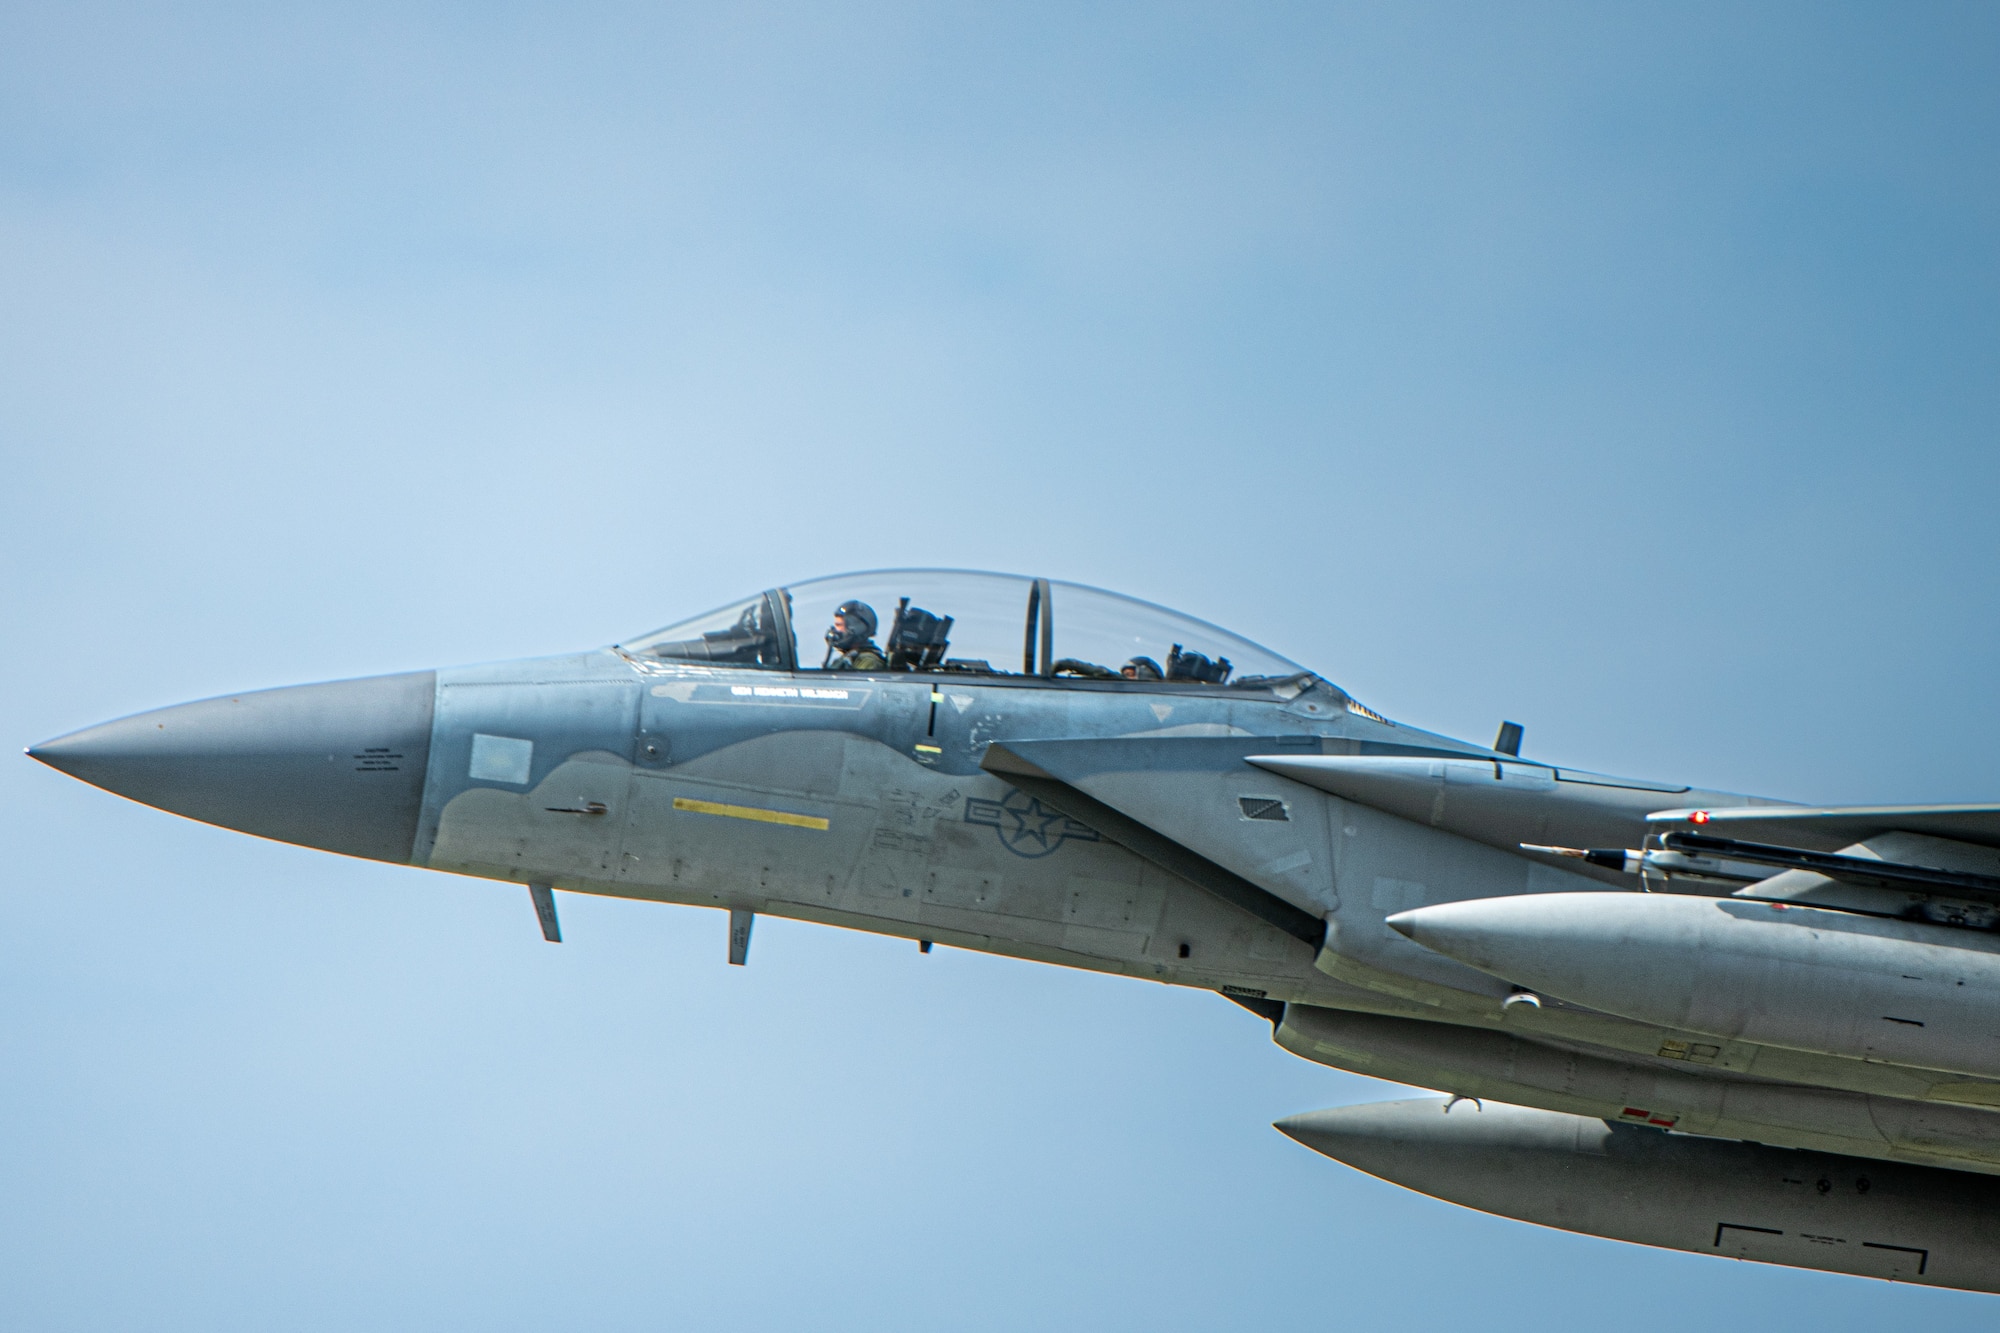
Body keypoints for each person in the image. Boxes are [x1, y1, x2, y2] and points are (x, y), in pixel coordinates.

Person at [825, 600, 886, 671]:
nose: (833, 631)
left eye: (839, 625)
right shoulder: (846, 660)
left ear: (857, 628)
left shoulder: (868, 662)